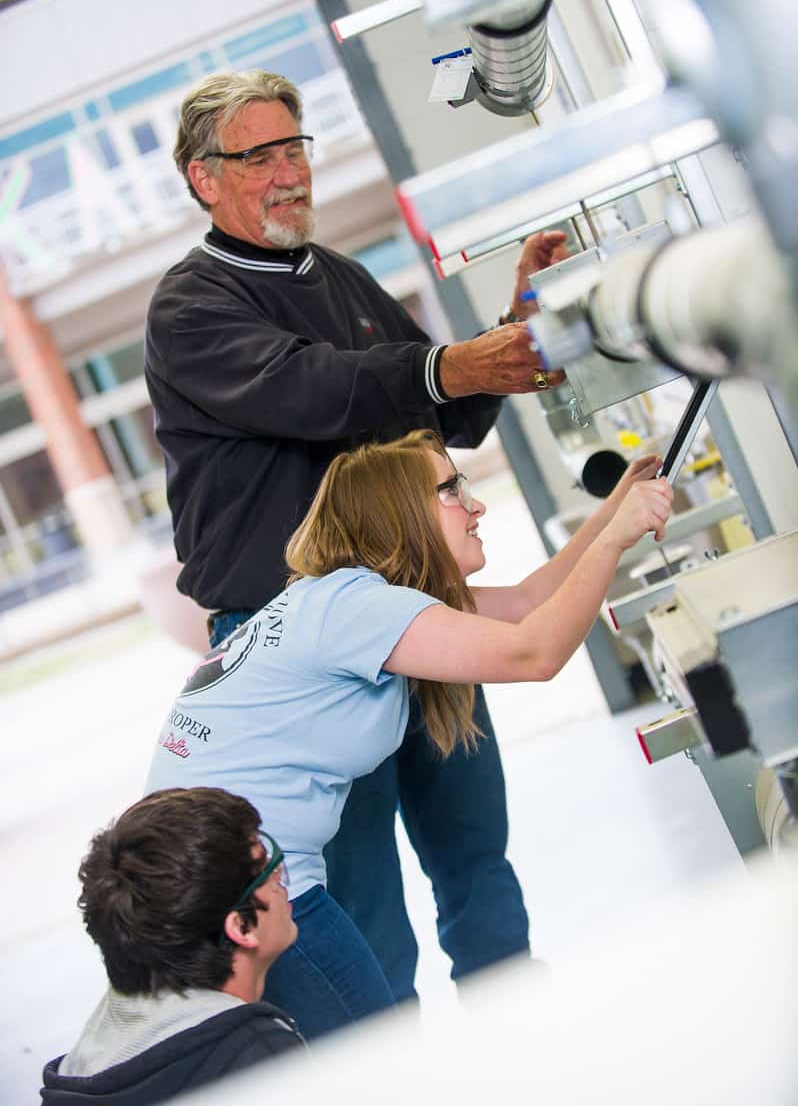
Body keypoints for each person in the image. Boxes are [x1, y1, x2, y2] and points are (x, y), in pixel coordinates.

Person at [144, 67, 568, 1007]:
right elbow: (316, 389)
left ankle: (524, 1045)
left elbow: (443, 418)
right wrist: (450, 366)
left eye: (296, 148)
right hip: (296, 640)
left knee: (476, 856)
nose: (290, 173)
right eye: (259, 156)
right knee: (356, 900)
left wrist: (512, 335)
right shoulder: (192, 307)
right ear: (202, 177)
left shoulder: (339, 277)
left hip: (413, 617)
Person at [144, 429, 672, 1039]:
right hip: (234, 883)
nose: (475, 505)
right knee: (375, 1054)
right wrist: (615, 537)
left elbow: (529, 602)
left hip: (210, 872)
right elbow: (535, 653)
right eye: (450, 490)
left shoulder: (353, 599)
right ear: (399, 514)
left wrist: (613, 509)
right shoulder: (356, 608)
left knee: (365, 1049)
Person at [40, 787, 305, 1105]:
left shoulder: (79, 1072)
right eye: (269, 871)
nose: (281, 881)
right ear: (241, 927)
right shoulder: (263, 1060)